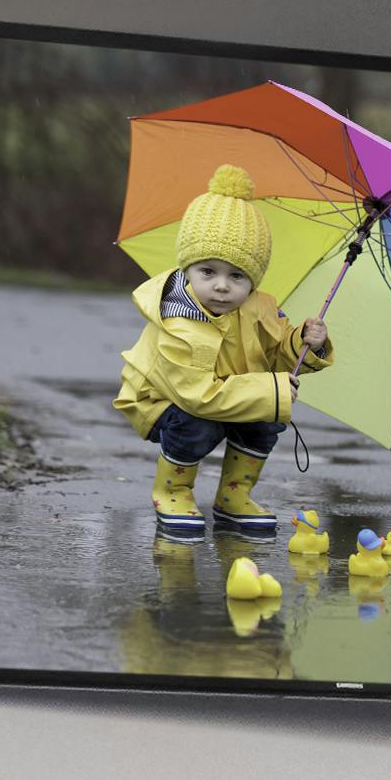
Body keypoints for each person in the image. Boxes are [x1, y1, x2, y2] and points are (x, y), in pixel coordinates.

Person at [113, 163, 330, 550]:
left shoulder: (258, 307)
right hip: (167, 401)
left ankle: (233, 495)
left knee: (267, 415)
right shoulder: (181, 320)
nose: (222, 286)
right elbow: (196, 395)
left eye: (237, 276)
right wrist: (272, 391)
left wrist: (304, 343)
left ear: (254, 280)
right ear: (187, 267)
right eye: (208, 271)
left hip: (225, 391)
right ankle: (174, 489)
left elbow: (276, 354)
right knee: (202, 422)